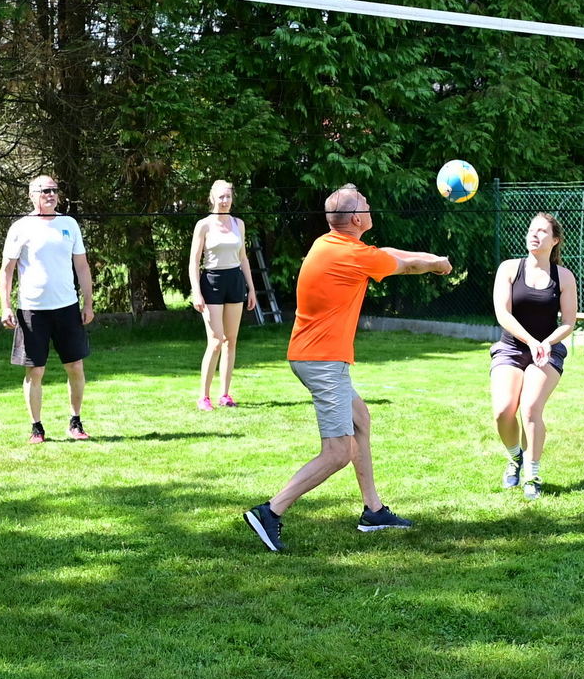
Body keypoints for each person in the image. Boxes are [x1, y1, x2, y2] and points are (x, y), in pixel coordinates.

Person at [242, 184, 451, 552]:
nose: (370, 206)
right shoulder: (352, 255)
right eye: (365, 204)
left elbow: (386, 254)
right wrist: (437, 265)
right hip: (322, 361)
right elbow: (406, 265)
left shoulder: (331, 244)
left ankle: (374, 511)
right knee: (338, 451)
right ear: (356, 218)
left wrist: (432, 256)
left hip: (314, 356)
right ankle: (270, 511)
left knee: (360, 421)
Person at [0, 175, 95, 444]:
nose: (51, 195)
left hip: (67, 308)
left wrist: (88, 303)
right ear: (32, 195)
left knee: (75, 366)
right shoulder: (21, 227)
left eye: (54, 190)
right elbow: (6, 271)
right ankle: (36, 427)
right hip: (32, 310)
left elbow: (82, 266)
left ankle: (75, 422)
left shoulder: (69, 224)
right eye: (44, 191)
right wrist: (6, 306)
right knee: (35, 371)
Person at [490, 212, 578, 500]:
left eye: (542, 231)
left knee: (530, 408)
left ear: (555, 240)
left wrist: (546, 343)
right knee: (503, 410)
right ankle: (515, 456)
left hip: (547, 350)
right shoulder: (509, 268)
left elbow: (568, 322)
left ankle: (532, 473)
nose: (534, 235)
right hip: (512, 348)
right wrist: (530, 341)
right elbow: (503, 314)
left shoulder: (564, 277)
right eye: (532, 230)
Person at [188, 179, 258, 410]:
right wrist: (197, 292)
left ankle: (225, 395)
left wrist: (251, 288)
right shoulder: (204, 225)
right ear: (212, 198)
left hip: (235, 281)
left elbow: (243, 257)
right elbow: (194, 261)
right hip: (212, 283)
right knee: (216, 341)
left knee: (231, 340)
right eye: (221, 197)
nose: (225, 201)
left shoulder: (239, 223)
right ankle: (204, 397)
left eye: (228, 196)